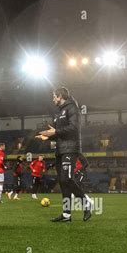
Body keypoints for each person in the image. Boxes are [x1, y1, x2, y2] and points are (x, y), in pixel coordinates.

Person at [37, 87, 92, 222]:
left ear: (60, 96)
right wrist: (49, 137)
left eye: (54, 96)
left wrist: (54, 132)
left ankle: (86, 203)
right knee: (62, 181)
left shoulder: (72, 108)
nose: (53, 99)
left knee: (67, 179)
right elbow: (60, 133)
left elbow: (73, 128)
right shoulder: (59, 112)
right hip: (60, 150)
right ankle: (66, 215)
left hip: (71, 149)